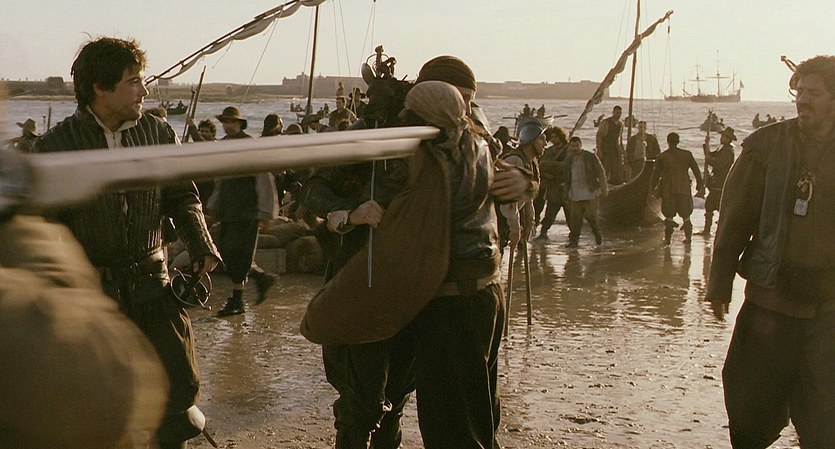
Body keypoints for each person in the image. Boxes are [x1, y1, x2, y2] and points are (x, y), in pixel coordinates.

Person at [32, 36, 221, 449]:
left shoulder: (158, 131)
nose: (144, 90)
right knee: (94, 403)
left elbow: (183, 195)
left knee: (178, 396)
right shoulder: (56, 146)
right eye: (133, 81)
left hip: (155, 287)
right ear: (100, 87)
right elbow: (44, 225)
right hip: (91, 297)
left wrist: (201, 245)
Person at [706, 55, 835, 449]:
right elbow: (733, 220)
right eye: (800, 91)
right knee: (750, 411)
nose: (803, 100)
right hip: (769, 302)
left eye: (814, 93)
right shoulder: (764, 147)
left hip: (828, 311)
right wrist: (718, 285)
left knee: (824, 419)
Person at [401, 79, 506, 449]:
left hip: (452, 302)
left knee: (449, 422)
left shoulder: (440, 159)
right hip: (485, 292)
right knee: (479, 409)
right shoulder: (480, 145)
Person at [208, 106, 279, 316]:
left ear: (239, 124)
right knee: (225, 251)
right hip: (228, 207)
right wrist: (214, 203)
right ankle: (260, 277)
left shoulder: (249, 145)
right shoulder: (222, 145)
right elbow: (219, 179)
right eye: (225, 122)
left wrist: (266, 212)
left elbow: (263, 179)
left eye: (231, 121)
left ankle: (237, 300)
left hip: (247, 208)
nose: (228, 126)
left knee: (240, 254)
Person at [499, 116, 544, 249]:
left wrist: (530, 221)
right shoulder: (515, 160)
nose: (545, 143)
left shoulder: (530, 162)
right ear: (531, 141)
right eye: (541, 139)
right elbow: (508, 201)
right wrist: (514, 227)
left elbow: (527, 197)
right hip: (500, 218)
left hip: (510, 218)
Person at [651, 132, 703, 246]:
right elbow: (696, 170)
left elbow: (656, 175)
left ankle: (667, 240)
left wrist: (652, 188)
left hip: (668, 190)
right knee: (686, 215)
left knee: (669, 216)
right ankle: (688, 238)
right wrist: (700, 184)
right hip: (684, 188)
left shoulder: (662, 157)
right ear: (678, 141)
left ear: (668, 142)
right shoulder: (687, 154)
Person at [564, 136, 607, 248]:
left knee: (591, 217)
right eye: (573, 146)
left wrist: (604, 188)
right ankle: (574, 242)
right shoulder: (569, 159)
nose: (575, 148)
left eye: (577, 145)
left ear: (581, 145)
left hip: (590, 191)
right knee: (575, 219)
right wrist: (565, 194)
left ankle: (598, 239)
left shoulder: (590, 156)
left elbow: (600, 171)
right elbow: (567, 178)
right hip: (575, 193)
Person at [696, 126, 736, 236]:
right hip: (716, 183)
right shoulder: (722, 149)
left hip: (721, 183)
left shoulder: (728, 151)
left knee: (717, 206)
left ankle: (721, 230)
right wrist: (706, 144)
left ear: (728, 139)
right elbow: (709, 155)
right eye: (722, 136)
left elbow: (719, 164)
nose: (721, 138)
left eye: (724, 137)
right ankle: (708, 230)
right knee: (710, 206)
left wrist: (708, 159)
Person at [534, 126, 569, 239]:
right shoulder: (549, 151)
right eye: (552, 137)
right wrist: (549, 171)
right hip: (554, 187)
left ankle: (574, 237)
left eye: (555, 137)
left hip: (567, 187)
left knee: (571, 215)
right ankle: (543, 233)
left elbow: (568, 166)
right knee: (550, 213)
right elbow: (541, 165)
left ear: (561, 137)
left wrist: (552, 166)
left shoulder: (569, 150)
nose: (553, 139)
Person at [596, 105, 625, 184]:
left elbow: (620, 139)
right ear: (613, 112)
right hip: (606, 150)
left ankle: (614, 183)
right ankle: (603, 184)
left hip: (615, 150)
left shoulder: (620, 124)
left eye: (620, 113)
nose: (618, 115)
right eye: (617, 113)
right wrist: (599, 149)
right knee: (605, 169)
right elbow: (599, 136)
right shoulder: (606, 123)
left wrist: (622, 151)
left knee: (616, 170)